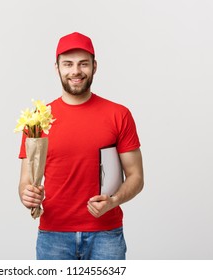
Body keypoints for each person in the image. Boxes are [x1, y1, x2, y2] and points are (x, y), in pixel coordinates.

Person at [18, 32, 144, 260]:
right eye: (68, 64)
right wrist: (27, 195)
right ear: (57, 68)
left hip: (106, 235)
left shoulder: (119, 115)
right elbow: (25, 182)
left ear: (94, 67)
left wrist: (113, 201)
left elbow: (136, 176)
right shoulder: (37, 119)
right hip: (53, 236)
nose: (75, 71)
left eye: (83, 63)